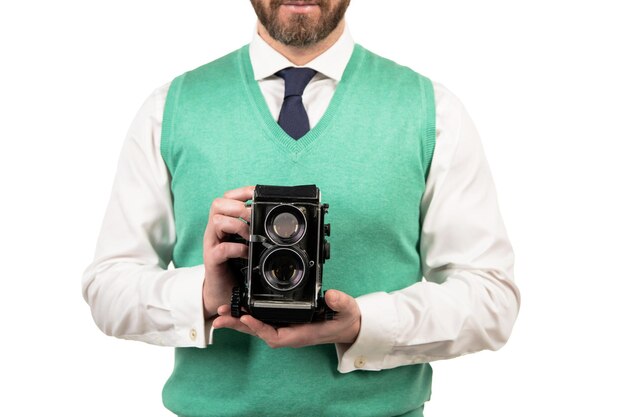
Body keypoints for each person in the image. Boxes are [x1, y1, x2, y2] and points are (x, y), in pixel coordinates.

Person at [82, 1, 521, 415]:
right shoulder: (170, 108)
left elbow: (490, 297)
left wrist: (363, 324)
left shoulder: (433, 112)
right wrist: (205, 296)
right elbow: (108, 285)